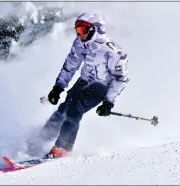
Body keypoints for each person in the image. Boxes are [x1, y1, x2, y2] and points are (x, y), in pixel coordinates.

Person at [39, 12, 129, 159]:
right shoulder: (80, 44)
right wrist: (58, 87)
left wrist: (108, 102)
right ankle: (42, 138)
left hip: (101, 85)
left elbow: (121, 79)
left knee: (75, 107)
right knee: (65, 107)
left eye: (83, 30)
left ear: (94, 29)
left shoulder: (113, 52)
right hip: (84, 80)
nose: (80, 35)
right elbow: (70, 66)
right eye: (77, 31)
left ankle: (63, 147)